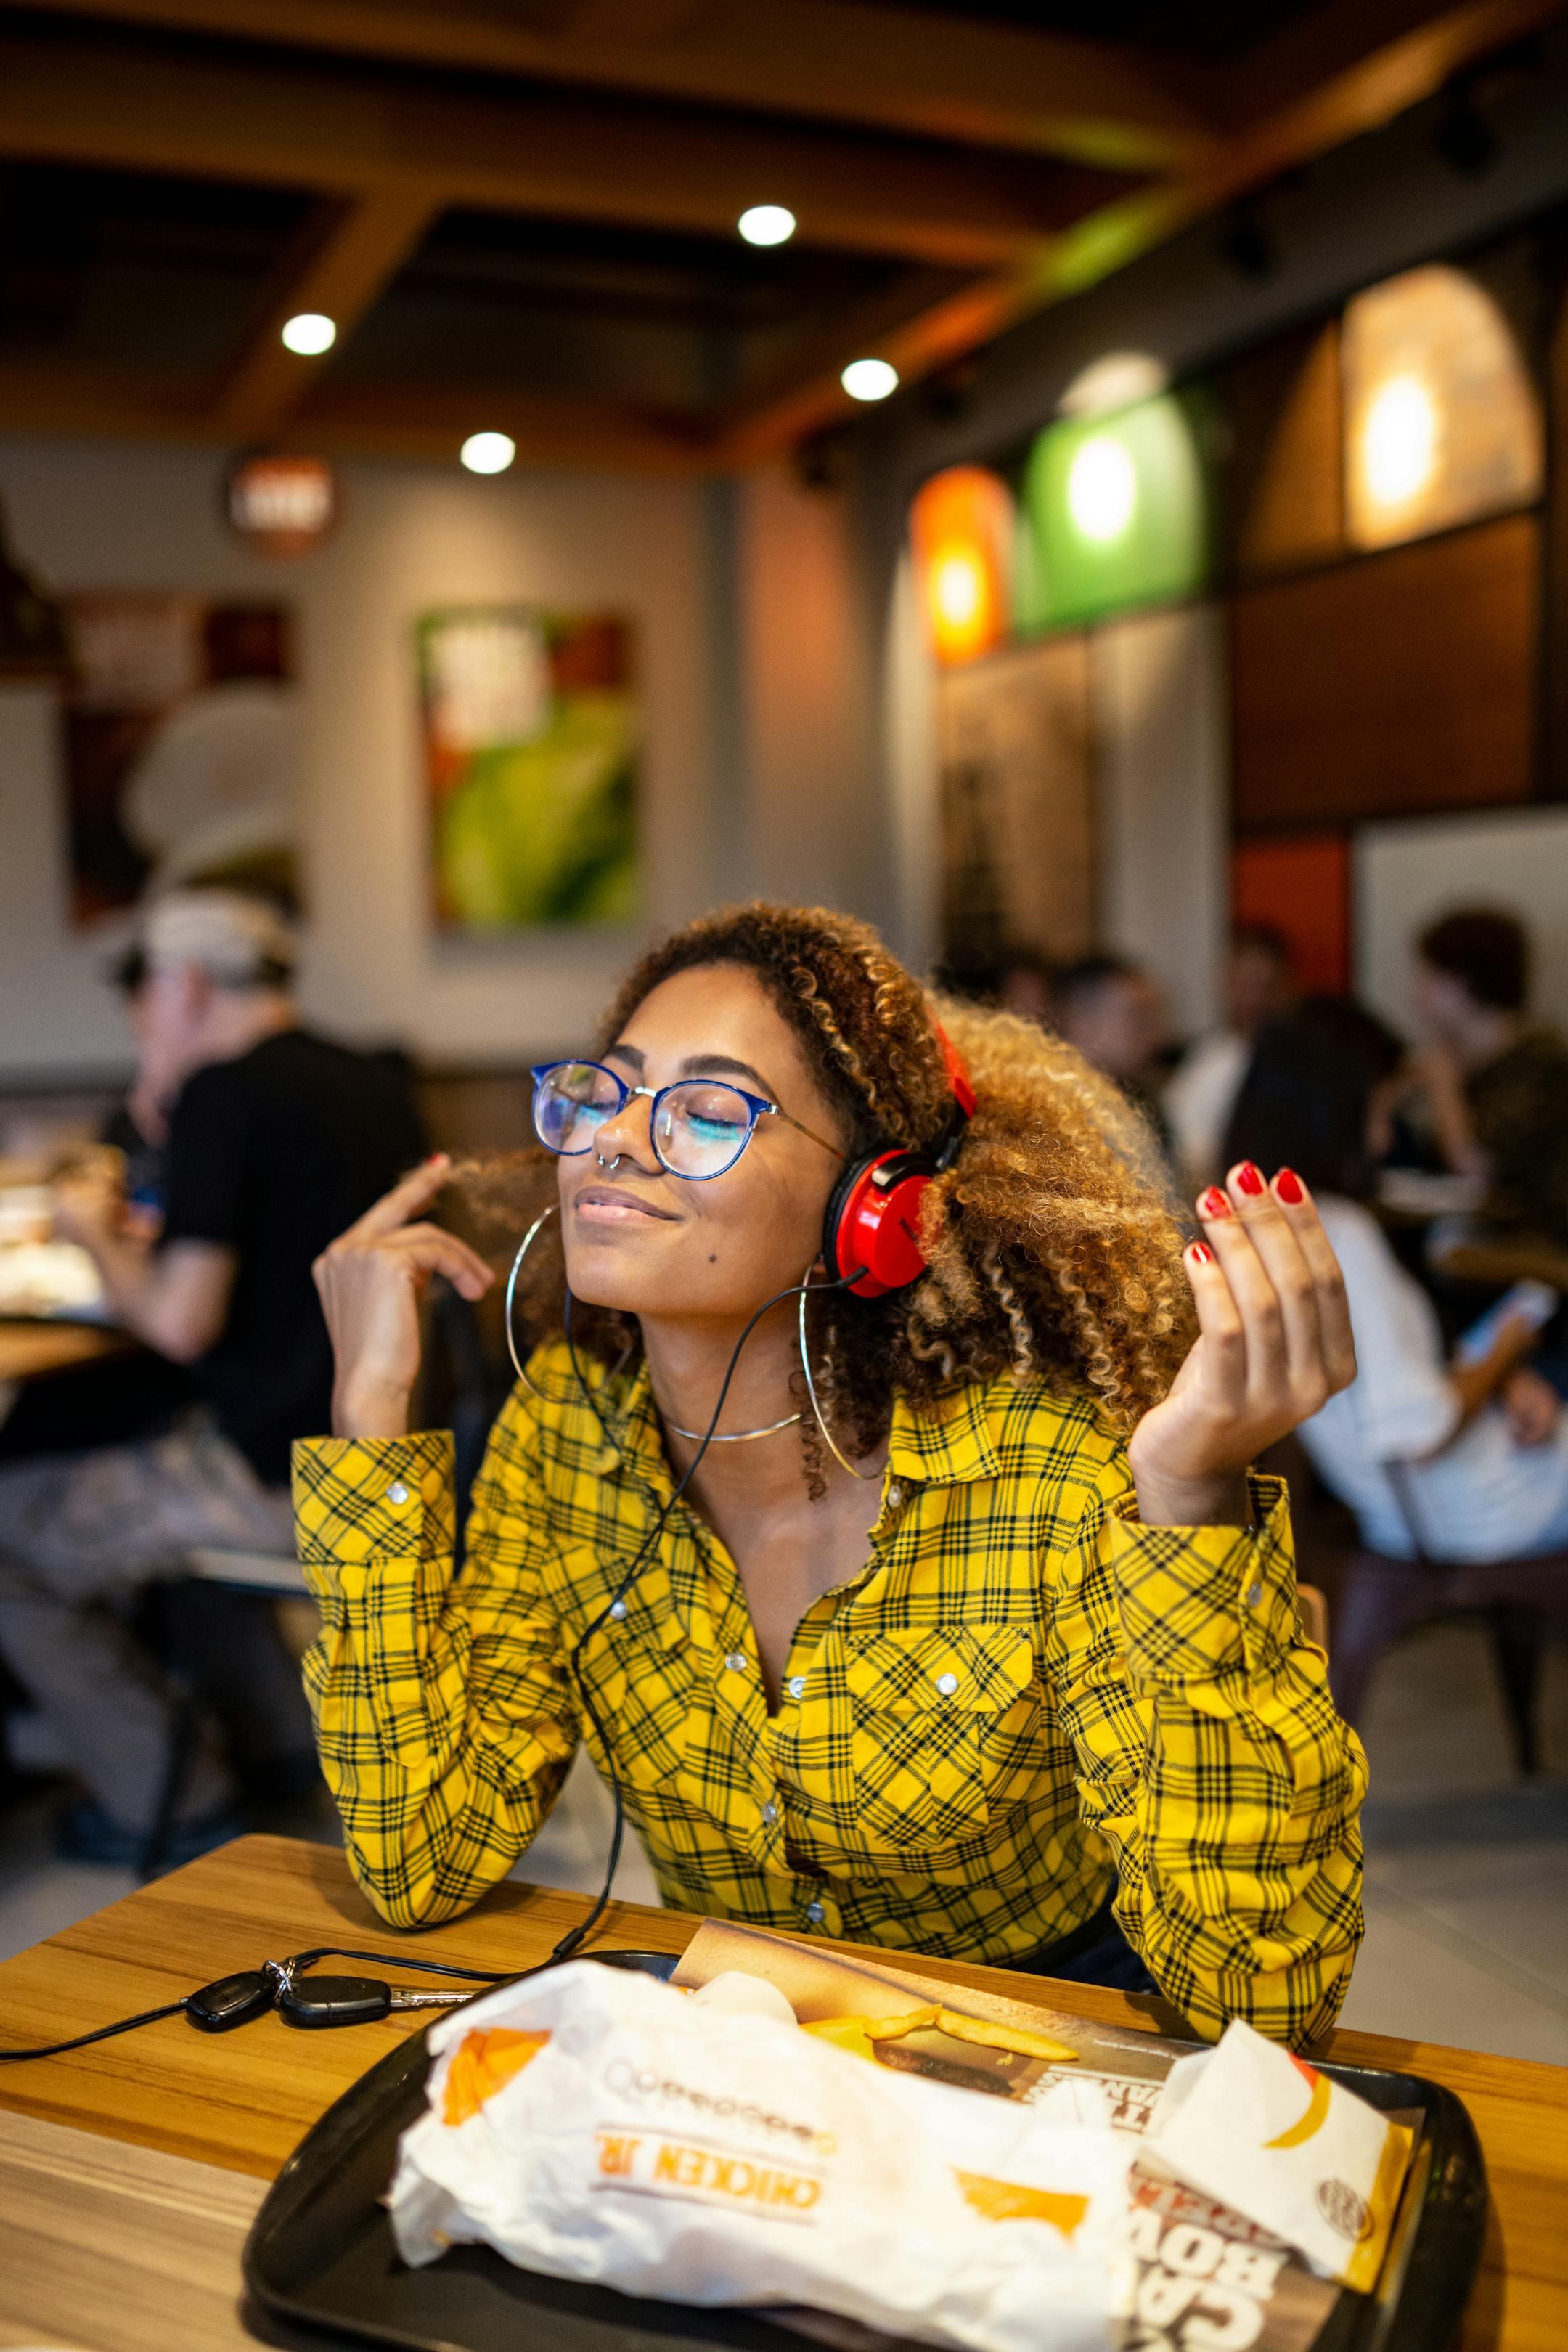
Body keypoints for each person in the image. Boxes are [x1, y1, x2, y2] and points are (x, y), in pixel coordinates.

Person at [298, 902, 1363, 2047]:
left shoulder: (1045, 1465)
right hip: (749, 2056)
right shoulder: (566, 1433)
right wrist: (366, 1423)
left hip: (1050, 2032)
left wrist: (1192, 1500)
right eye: (603, 1093)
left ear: (874, 1207)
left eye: (707, 1112)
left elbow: (1265, 2003)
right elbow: (420, 1857)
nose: (613, 1139)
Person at [0, 888, 428, 1863]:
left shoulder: (226, 1094)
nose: (142, 1019)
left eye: (144, 998)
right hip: (381, 1459)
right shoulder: (369, 1077)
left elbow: (182, 1322)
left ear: (181, 985)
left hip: (273, 1475)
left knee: (7, 1542)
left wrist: (91, 1232)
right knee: (133, 1469)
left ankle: (175, 1796)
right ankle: (276, 1751)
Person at [1225, 1005, 1568, 1563]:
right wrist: (1505, 1352)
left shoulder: (1263, 1229)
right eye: (1378, 1113)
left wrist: (1503, 1380)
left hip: (1405, 1504)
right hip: (1469, 1502)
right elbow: (1418, 1432)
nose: (1384, 1140)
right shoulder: (1338, 1234)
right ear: (1332, 1113)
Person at [1400, 908, 1568, 1248]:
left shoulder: (1539, 1061)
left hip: (1537, 1250)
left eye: (1428, 977)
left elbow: (1476, 1167)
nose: (1416, 994)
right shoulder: (1465, 1062)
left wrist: (1442, 1082)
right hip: (1478, 1242)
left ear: (1466, 982)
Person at [1165, 926, 1297, 1193]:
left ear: (1285, 987)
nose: (1253, 998)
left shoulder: (1292, 1062)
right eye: (1242, 983)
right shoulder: (1206, 1050)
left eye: (1264, 985)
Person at [1050, 953, 1174, 1165]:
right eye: (1137, 1016)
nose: (1155, 1033)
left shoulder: (1143, 1098)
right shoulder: (1051, 1111)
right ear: (1081, 1021)